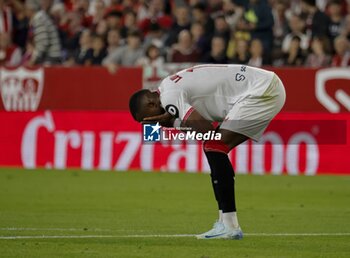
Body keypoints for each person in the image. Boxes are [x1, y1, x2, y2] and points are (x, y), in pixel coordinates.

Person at [129, 64, 286, 239]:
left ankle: (229, 226)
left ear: (151, 103)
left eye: (148, 119)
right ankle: (226, 223)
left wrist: (173, 124)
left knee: (214, 146)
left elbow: (205, 129)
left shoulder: (168, 98)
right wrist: (175, 123)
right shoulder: (168, 87)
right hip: (263, 85)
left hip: (260, 90)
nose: (153, 123)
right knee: (213, 147)